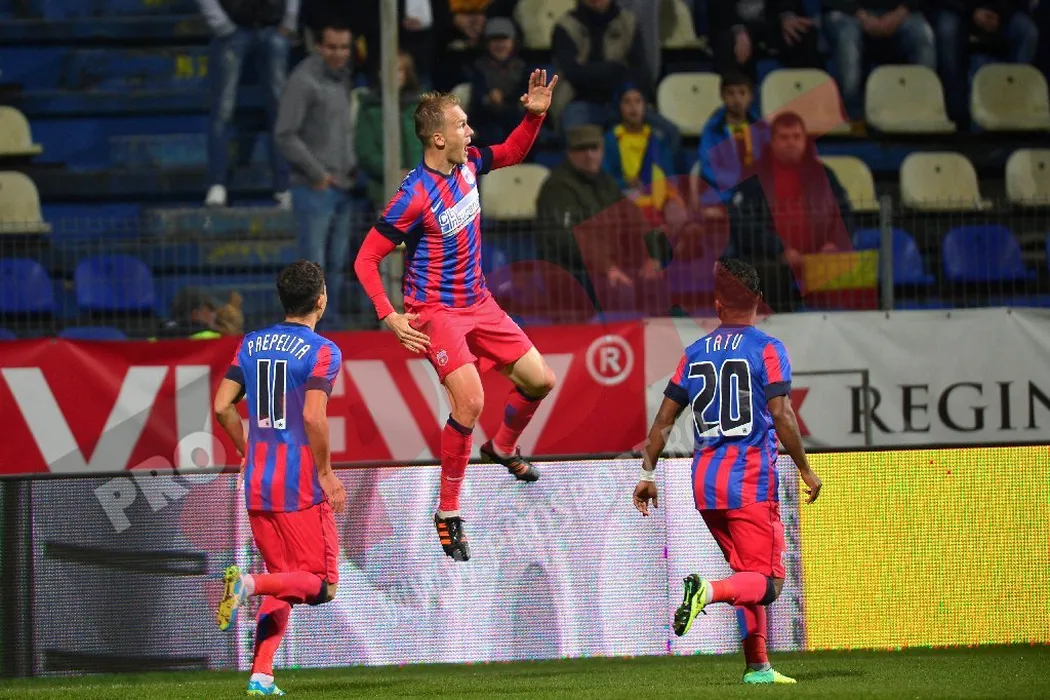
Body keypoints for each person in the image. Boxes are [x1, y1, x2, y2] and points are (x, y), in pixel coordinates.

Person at [352, 70, 560, 562]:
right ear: (438, 138)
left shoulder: (468, 165)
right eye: (462, 125)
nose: (471, 132)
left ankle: (502, 448)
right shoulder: (413, 195)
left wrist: (534, 116)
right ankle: (447, 511)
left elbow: (512, 151)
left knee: (541, 381)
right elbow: (365, 259)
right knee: (470, 402)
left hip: (479, 302)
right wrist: (389, 316)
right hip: (435, 311)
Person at [632, 258, 822, 685]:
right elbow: (782, 413)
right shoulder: (768, 348)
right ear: (758, 301)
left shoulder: (693, 354)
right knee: (769, 582)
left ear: (718, 304)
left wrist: (647, 475)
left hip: (705, 484)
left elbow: (663, 420)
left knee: (747, 573)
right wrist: (805, 469)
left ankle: (758, 667)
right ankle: (707, 591)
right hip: (749, 481)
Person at [212, 259, 347, 697]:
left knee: (284, 578)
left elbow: (222, 406)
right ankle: (247, 584)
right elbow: (313, 415)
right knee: (323, 586)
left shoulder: (251, 343)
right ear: (321, 300)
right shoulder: (323, 350)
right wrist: (325, 473)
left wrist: (246, 450)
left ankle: (261, 675)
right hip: (298, 483)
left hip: (258, 480)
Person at [275, 21, 360, 329]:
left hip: (344, 186)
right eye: (332, 47)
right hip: (314, 188)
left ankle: (331, 330)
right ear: (319, 46)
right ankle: (309, 333)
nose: (338, 53)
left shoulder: (343, 78)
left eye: (344, 47)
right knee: (313, 270)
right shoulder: (303, 79)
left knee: (336, 265)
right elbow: (285, 134)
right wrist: (317, 172)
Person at [199, 0, 295, 208]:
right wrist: (220, 23)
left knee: (281, 110)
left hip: (273, 26)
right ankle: (217, 184)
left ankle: (284, 185)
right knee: (223, 110)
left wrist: (289, 21)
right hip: (232, 27)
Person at [821, 1, 937, 119]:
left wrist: (899, 14)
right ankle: (852, 116)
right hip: (847, 11)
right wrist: (864, 17)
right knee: (848, 36)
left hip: (900, 11)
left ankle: (923, 112)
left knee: (922, 35)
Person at [356, 49, 424, 213]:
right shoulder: (369, 108)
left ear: (407, 74)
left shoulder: (421, 107)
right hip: (384, 193)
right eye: (389, 69)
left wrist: (414, 172)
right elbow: (365, 151)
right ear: (380, 73)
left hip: (421, 192)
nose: (394, 75)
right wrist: (393, 172)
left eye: (399, 70)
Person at [709, 1, 821, 82]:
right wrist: (738, 30)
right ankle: (736, 96)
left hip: (771, 21)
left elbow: (787, 5)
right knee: (728, 42)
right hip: (735, 24)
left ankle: (808, 90)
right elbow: (719, 10)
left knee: (801, 32)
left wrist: (787, 16)